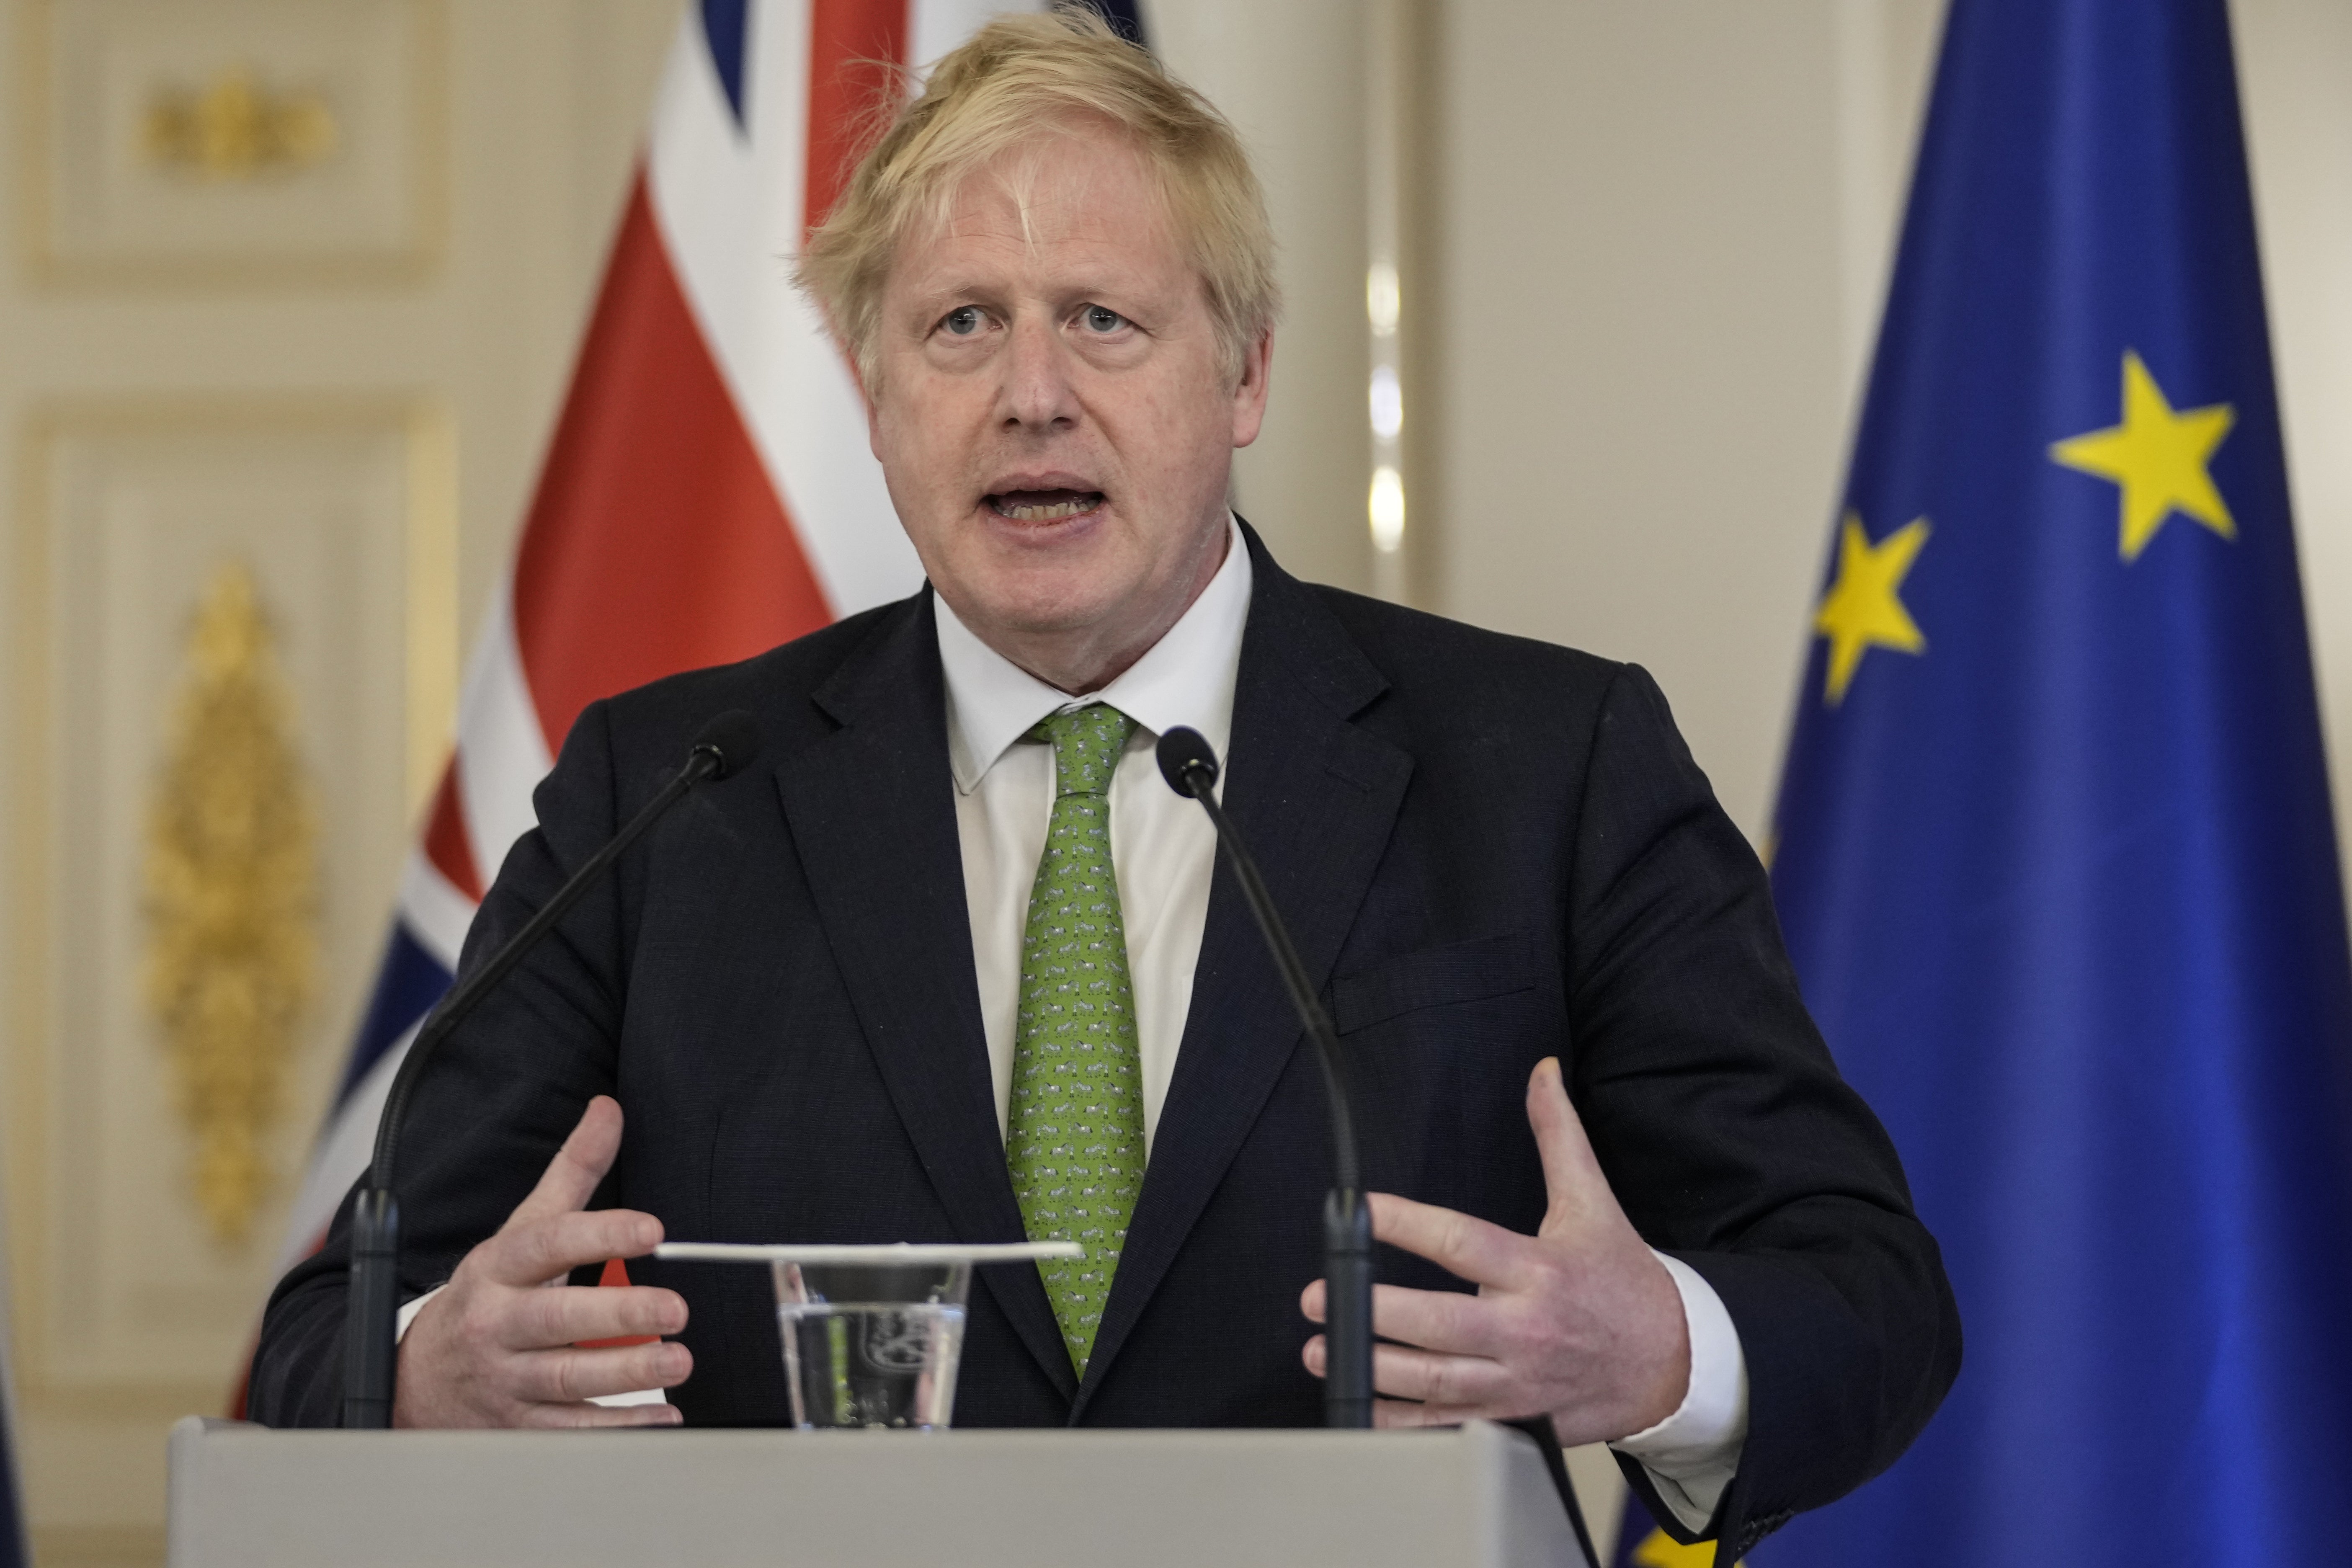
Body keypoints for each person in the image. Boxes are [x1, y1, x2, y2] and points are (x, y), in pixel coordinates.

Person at [252, 12, 1959, 1561]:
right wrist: (426, 1371)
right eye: (961, 326)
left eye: (1104, 320)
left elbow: (1865, 1292)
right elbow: (327, 1326)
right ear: (873, 396)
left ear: (1245, 376)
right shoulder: (667, 792)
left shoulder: (1543, 767)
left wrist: (1657, 1349)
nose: (1032, 395)